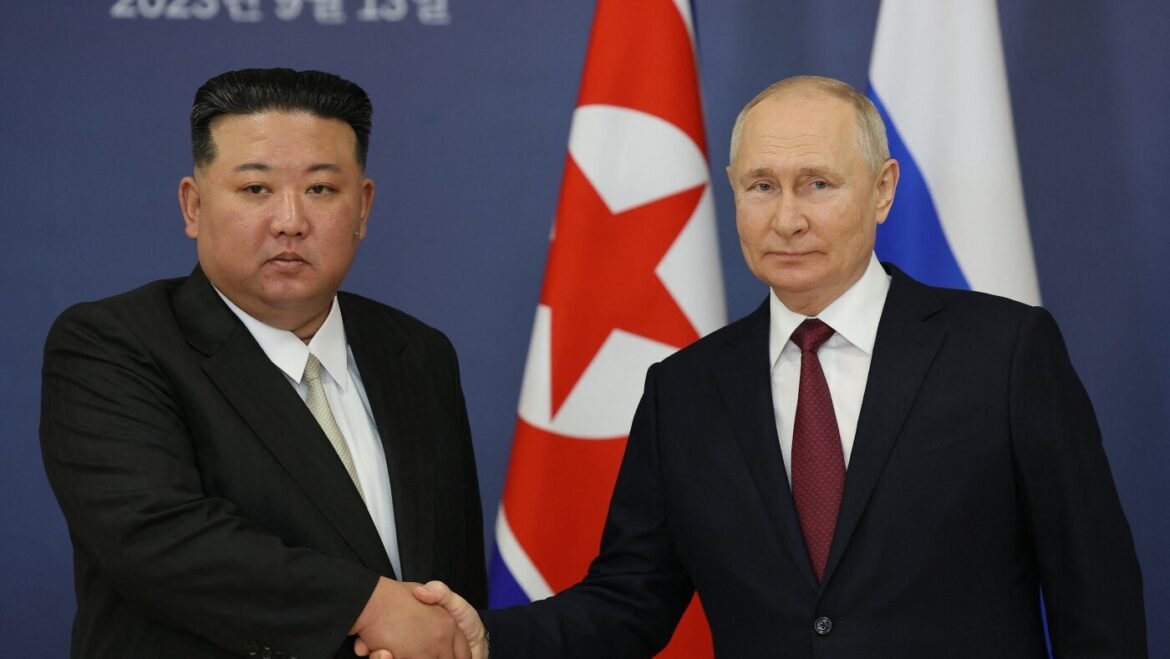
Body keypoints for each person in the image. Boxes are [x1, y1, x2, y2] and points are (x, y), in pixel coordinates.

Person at [411, 75, 1148, 658]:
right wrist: (484, 637)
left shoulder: (1005, 350)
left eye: (817, 184)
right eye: (761, 185)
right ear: (732, 189)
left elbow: (1096, 596)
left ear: (883, 188)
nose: (786, 218)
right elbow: (630, 601)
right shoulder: (685, 390)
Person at [40, 68, 486, 659]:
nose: (290, 220)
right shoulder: (113, 343)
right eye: (256, 190)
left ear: (364, 208)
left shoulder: (418, 352)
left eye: (322, 190)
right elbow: (156, 537)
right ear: (194, 205)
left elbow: (449, 577)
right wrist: (369, 607)